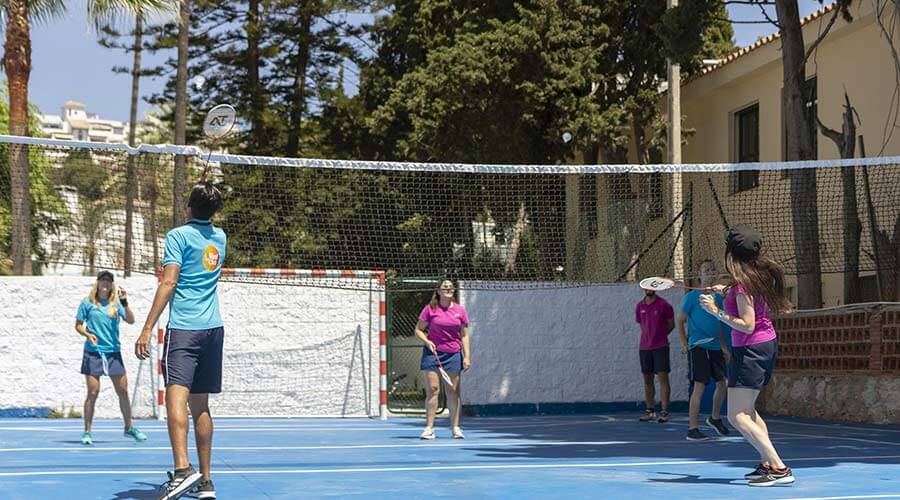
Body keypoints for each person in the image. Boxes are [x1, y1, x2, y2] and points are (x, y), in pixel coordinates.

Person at [136, 181, 225, 500]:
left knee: (175, 399)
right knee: (200, 406)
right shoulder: (219, 237)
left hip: (185, 329)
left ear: (188, 207)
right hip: (213, 330)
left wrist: (147, 327)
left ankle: (183, 470)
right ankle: (206, 482)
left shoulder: (177, 236)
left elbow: (170, 280)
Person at [700, 224, 795, 486]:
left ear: (730, 253)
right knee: (749, 411)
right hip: (765, 345)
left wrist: (715, 311)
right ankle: (768, 463)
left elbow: (747, 323)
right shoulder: (756, 278)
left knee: (736, 416)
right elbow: (745, 299)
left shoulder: (743, 286)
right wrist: (725, 291)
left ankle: (779, 467)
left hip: (750, 348)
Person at [75, 270, 147, 445]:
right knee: (93, 391)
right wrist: (87, 334)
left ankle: (129, 427)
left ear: (112, 284)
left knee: (122, 390)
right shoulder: (87, 303)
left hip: (113, 353)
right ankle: (87, 431)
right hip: (93, 352)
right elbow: (78, 326)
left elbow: (131, 320)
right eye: (103, 279)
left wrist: (125, 302)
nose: (105, 283)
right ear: (98, 283)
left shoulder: (116, 304)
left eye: (109, 280)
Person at [677, 259, 731, 441]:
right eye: (706, 269)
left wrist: (723, 345)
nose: (710, 272)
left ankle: (715, 418)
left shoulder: (718, 298)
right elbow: (680, 321)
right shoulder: (691, 297)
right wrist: (684, 342)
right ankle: (692, 429)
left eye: (712, 269)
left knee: (723, 383)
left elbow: (719, 322)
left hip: (716, 347)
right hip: (698, 346)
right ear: (699, 274)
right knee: (699, 387)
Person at [414, 279, 471, 440]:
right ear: (438, 291)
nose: (448, 288)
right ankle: (429, 428)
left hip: (453, 354)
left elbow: (464, 335)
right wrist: (427, 341)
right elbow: (418, 330)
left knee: (453, 392)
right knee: (433, 390)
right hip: (433, 354)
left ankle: (455, 428)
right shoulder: (430, 309)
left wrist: (467, 356)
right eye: (444, 286)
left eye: (450, 286)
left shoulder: (460, 310)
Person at [636, 288, 674, 423]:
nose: (648, 289)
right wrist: (648, 338)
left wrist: (659, 337)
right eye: (646, 287)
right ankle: (650, 411)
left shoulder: (664, 305)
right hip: (644, 348)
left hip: (661, 347)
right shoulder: (639, 306)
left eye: (651, 287)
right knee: (647, 379)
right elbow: (642, 324)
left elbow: (671, 325)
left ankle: (664, 412)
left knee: (663, 378)